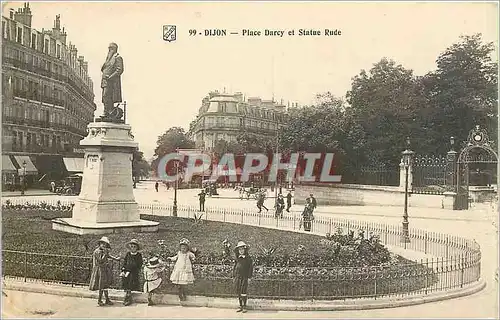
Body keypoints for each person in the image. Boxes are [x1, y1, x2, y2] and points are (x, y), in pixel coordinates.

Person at [89, 236, 120, 306]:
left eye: (105, 244)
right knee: (101, 285)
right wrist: (106, 254)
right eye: (102, 244)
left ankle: (107, 299)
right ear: (99, 244)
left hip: (104, 269)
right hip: (99, 270)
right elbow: (100, 260)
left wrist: (116, 259)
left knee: (105, 285)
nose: (103, 245)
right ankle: (99, 300)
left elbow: (108, 256)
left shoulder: (104, 251)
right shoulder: (96, 252)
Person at [101, 42, 124, 119]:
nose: (109, 50)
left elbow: (119, 70)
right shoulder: (108, 59)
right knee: (105, 97)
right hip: (105, 81)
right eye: (109, 48)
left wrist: (110, 77)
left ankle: (109, 112)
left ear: (115, 49)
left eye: (111, 48)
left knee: (108, 96)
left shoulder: (118, 57)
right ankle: (106, 111)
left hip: (112, 82)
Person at [121, 239, 143, 306]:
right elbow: (125, 262)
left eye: (134, 247)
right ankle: (127, 296)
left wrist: (134, 267)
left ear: (137, 248)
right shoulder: (128, 254)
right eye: (132, 246)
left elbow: (139, 264)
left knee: (131, 283)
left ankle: (128, 298)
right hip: (127, 271)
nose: (133, 248)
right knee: (126, 282)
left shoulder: (138, 255)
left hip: (134, 272)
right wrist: (123, 269)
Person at [233, 241, 253, 313]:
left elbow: (250, 268)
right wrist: (234, 276)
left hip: (244, 277)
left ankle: (244, 306)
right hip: (238, 277)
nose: (241, 251)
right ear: (238, 251)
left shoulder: (248, 259)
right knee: (238, 291)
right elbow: (235, 267)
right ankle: (240, 306)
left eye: (242, 249)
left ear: (245, 250)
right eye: (239, 250)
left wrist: (249, 277)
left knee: (243, 291)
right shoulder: (237, 258)